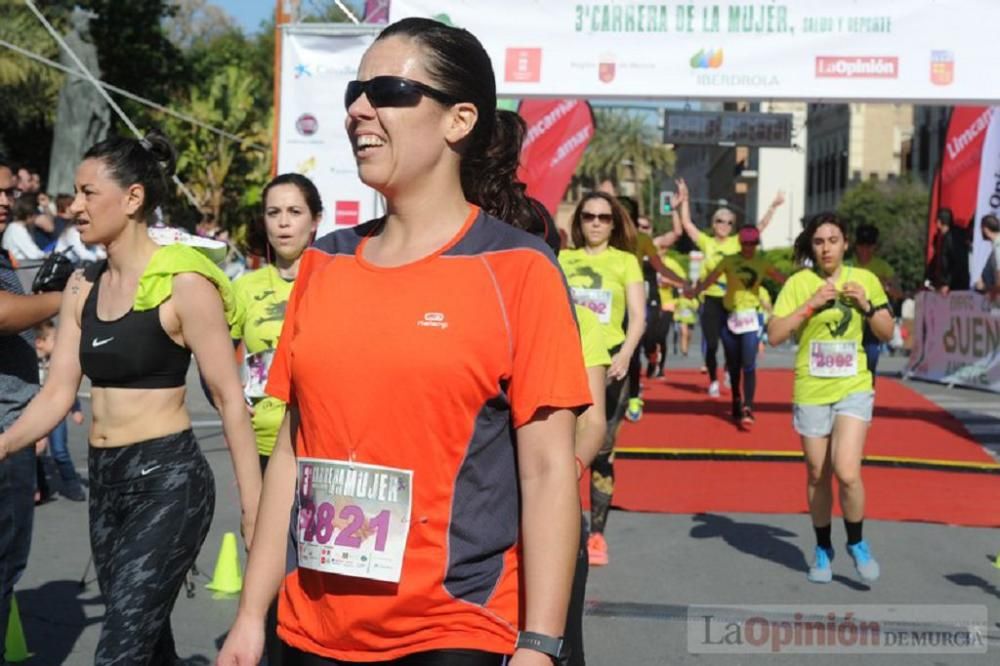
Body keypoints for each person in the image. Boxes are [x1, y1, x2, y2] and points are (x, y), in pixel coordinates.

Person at [219, 17, 590, 666]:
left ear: (459, 120)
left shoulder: (520, 268)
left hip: (453, 629)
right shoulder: (324, 262)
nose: (359, 109)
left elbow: (549, 468)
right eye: (354, 93)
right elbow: (293, 451)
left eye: (388, 89)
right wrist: (252, 616)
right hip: (310, 627)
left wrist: (540, 644)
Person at [0, 131, 262, 664]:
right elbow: (56, 396)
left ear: (134, 198)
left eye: (89, 193)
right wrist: (2, 443)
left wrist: (254, 509)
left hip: (168, 483)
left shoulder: (185, 285)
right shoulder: (81, 287)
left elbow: (229, 400)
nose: (75, 207)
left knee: (119, 650)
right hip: (108, 481)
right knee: (148, 641)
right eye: (74, 193)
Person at [767, 212, 894, 585]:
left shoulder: (864, 279)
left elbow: (886, 331)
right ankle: (823, 547)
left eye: (833, 240)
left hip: (853, 385)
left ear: (845, 244)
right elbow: (774, 335)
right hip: (811, 388)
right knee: (817, 473)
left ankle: (856, 542)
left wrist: (868, 307)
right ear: (811, 246)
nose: (826, 248)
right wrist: (809, 305)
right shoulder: (798, 282)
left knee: (847, 471)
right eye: (819, 241)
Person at [231, 172, 321, 666]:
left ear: (315, 221)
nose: (284, 223)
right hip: (265, 449)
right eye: (274, 213)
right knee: (267, 572)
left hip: (321, 447)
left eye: (294, 212)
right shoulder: (243, 288)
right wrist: (229, 396)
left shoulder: (335, 277)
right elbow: (218, 361)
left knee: (315, 575)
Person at [0, 158, 65, 665]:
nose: (5, 200)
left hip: (15, 430)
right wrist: (67, 295)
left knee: (7, 568)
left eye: (7, 192)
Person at [560, 191, 645, 567]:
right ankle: (562, 522)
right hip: (566, 363)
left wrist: (625, 355)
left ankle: (597, 534)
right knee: (561, 446)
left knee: (602, 450)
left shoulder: (626, 262)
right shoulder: (563, 259)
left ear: (614, 224)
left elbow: (639, 317)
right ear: (578, 222)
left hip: (609, 366)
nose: (595, 223)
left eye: (604, 218)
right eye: (589, 216)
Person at [674, 179, 785, 397]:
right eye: (719, 221)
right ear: (713, 223)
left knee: (732, 343)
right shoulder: (707, 242)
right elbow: (687, 225)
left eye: (728, 222)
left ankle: (728, 370)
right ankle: (713, 379)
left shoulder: (737, 243)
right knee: (712, 343)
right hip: (712, 299)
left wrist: (774, 206)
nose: (724, 225)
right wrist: (684, 200)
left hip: (735, 302)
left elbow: (759, 227)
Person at [692, 226, 786, 426]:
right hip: (731, 317)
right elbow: (710, 280)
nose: (749, 247)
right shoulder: (729, 260)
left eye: (753, 243)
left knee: (749, 364)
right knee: (733, 364)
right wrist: (694, 291)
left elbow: (781, 279)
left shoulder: (762, 263)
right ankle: (736, 399)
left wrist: (804, 284)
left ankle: (748, 407)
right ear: (740, 243)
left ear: (757, 244)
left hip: (750, 319)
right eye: (745, 243)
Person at [34, 319, 87, 501]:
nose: (58, 343)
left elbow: (67, 387)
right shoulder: (29, 364)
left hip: (56, 414)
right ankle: (40, 489)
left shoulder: (57, 363)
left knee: (60, 451)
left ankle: (72, 485)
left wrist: (76, 409)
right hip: (35, 415)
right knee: (35, 453)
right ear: (39, 342)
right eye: (53, 339)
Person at [850, 224, 901, 376]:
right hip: (850, 319)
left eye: (869, 246)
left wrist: (886, 286)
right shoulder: (847, 265)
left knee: (871, 357)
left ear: (875, 247)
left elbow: (898, 293)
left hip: (873, 317)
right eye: (861, 245)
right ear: (856, 246)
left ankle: (868, 388)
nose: (865, 250)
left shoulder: (883, 267)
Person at [929, 208, 970, 293]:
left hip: (956, 285)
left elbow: (957, 262)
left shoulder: (951, 238)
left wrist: (948, 283)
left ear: (939, 222)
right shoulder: (953, 235)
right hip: (955, 283)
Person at [2, 196, 46, 262]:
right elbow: (34, 255)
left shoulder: (14, 227)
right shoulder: (17, 230)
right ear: (29, 216)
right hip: (19, 268)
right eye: (35, 215)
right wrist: (47, 255)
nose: (36, 217)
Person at [974, 214, 1000, 298]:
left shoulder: (998, 246)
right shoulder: (995, 246)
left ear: (985, 229)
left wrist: (994, 292)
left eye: (981, 228)